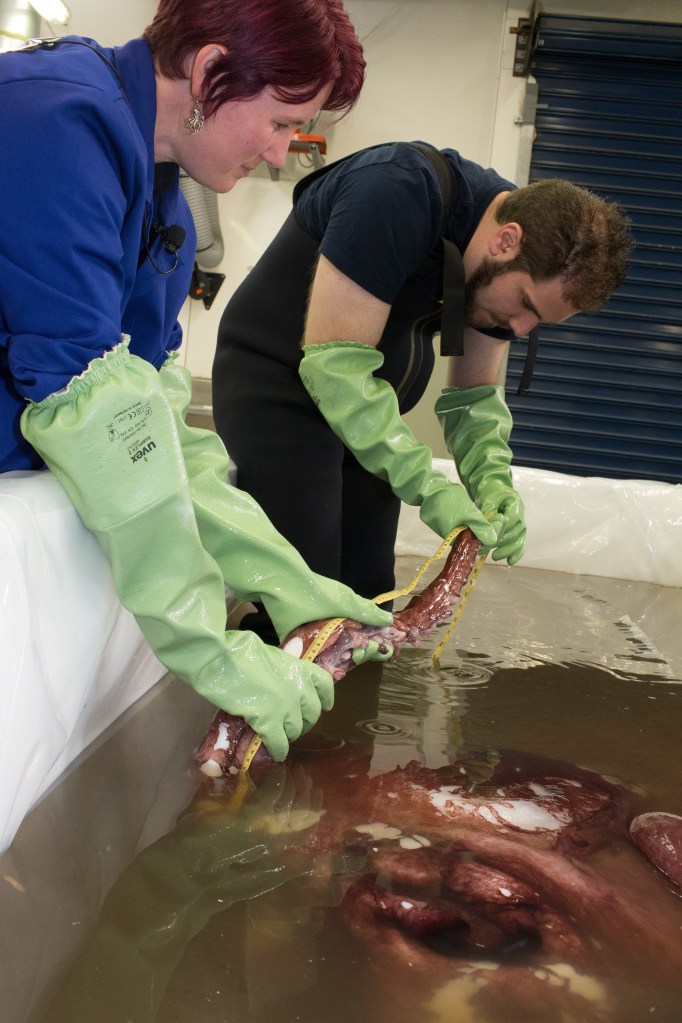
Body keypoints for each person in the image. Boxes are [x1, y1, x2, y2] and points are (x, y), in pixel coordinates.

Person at [0, 0, 397, 763]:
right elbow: (94, 411)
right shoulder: (52, 124)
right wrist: (208, 645)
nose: (283, 155)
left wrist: (281, 576)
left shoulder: (162, 205)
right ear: (212, 70)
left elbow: (154, 426)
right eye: (282, 123)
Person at [213, 141, 633, 640]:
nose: (519, 329)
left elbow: (473, 398)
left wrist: (492, 482)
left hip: (368, 421)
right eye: (523, 303)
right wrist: (429, 488)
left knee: (370, 598)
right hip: (282, 393)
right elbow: (335, 373)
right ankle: (259, 708)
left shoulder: (505, 260)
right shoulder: (397, 190)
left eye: (538, 321)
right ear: (506, 240)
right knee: (309, 604)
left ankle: (352, 716)